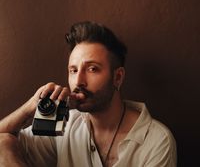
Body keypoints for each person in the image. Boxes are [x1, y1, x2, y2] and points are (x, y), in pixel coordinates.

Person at [0, 21, 177, 167]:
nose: (79, 81)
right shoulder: (66, 124)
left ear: (117, 77)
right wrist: (29, 108)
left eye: (92, 69)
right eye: (73, 70)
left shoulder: (156, 141)